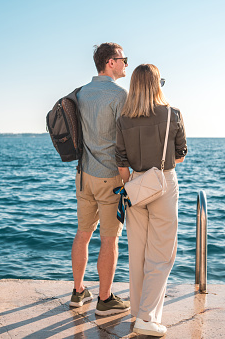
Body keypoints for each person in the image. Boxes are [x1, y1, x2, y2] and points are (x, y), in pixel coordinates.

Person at [115, 64, 187, 336]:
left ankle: (139, 312)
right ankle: (146, 317)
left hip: (134, 185)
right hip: (163, 183)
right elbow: (180, 155)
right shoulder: (172, 114)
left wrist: (131, 185)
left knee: (138, 254)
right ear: (157, 85)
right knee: (161, 256)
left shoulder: (123, 119)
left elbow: (121, 160)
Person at [69, 42, 131, 316]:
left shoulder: (81, 93)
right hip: (109, 178)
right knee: (109, 239)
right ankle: (104, 300)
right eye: (123, 59)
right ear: (110, 62)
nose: (126, 64)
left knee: (83, 233)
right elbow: (124, 141)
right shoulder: (120, 95)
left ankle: (78, 291)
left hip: (83, 176)